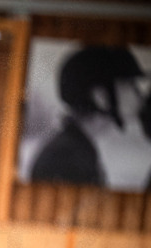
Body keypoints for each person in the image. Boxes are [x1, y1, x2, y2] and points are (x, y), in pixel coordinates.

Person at [30, 46, 145, 186]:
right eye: (130, 84)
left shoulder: (75, 149)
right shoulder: (66, 159)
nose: (140, 94)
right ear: (101, 97)